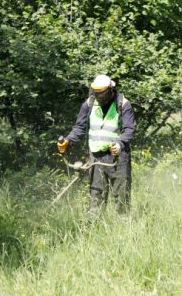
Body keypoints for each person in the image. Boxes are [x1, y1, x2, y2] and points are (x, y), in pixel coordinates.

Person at [58, 75, 136, 215]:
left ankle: (125, 227)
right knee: (96, 197)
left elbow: (129, 129)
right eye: (95, 92)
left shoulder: (123, 104)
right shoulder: (89, 103)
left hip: (118, 157)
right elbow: (79, 127)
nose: (97, 95)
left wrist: (120, 143)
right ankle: (94, 227)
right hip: (95, 158)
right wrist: (68, 140)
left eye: (101, 93)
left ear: (110, 90)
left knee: (122, 197)